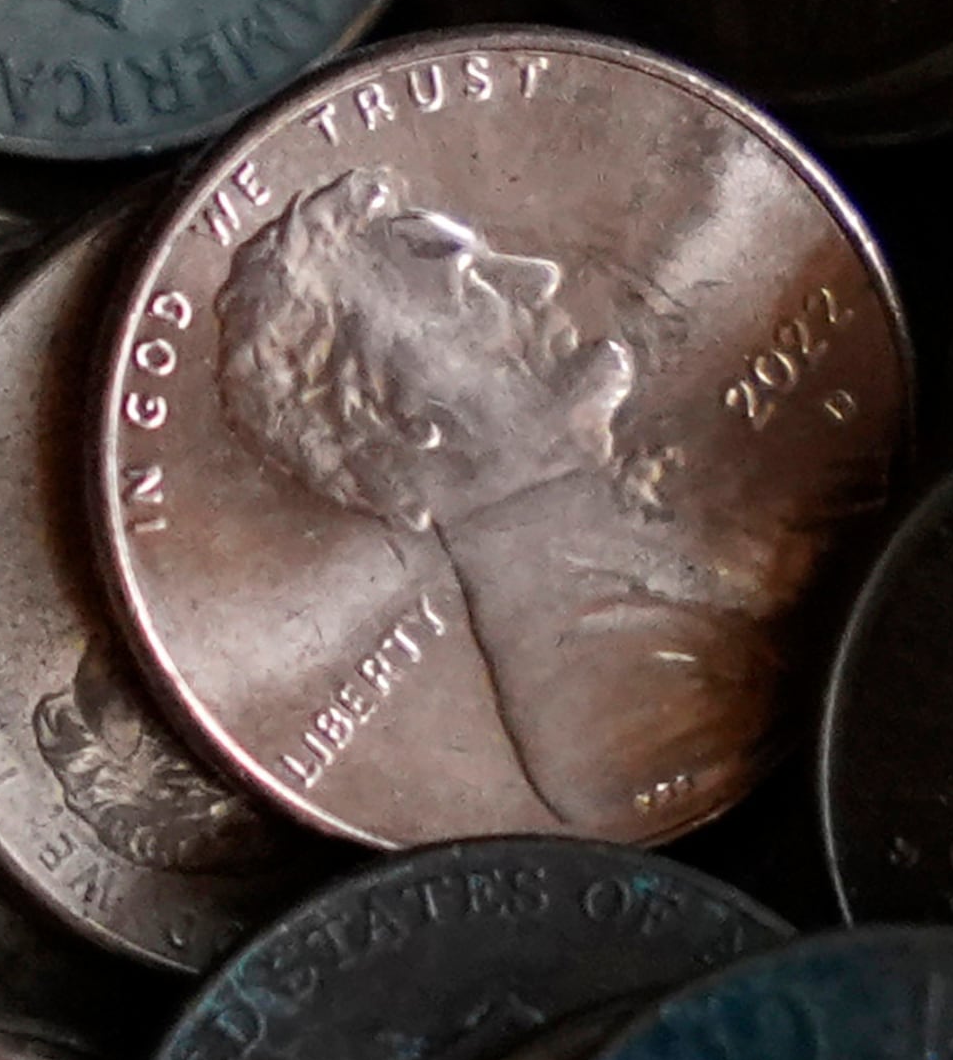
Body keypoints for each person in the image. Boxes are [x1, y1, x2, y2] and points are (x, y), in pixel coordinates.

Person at [214, 168, 803, 837]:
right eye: (470, 287)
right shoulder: (609, 722)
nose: (535, 278)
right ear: (405, 424)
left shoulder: (684, 552)